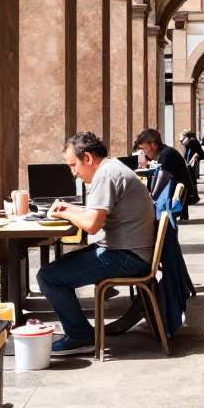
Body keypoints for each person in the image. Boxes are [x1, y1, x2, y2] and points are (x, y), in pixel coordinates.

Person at [38, 132, 156, 355]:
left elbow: (92, 225)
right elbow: (98, 214)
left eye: (74, 165)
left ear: (88, 158)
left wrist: (65, 215)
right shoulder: (113, 168)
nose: (73, 173)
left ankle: (81, 336)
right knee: (56, 270)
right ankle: (80, 332)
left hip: (127, 258)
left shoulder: (106, 175)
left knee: (49, 277)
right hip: (129, 252)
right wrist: (70, 209)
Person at [134, 128, 197, 210]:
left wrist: (150, 198)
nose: (143, 152)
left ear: (154, 145)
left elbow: (161, 182)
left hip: (175, 199)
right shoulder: (164, 152)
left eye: (143, 149)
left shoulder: (166, 154)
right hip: (175, 196)